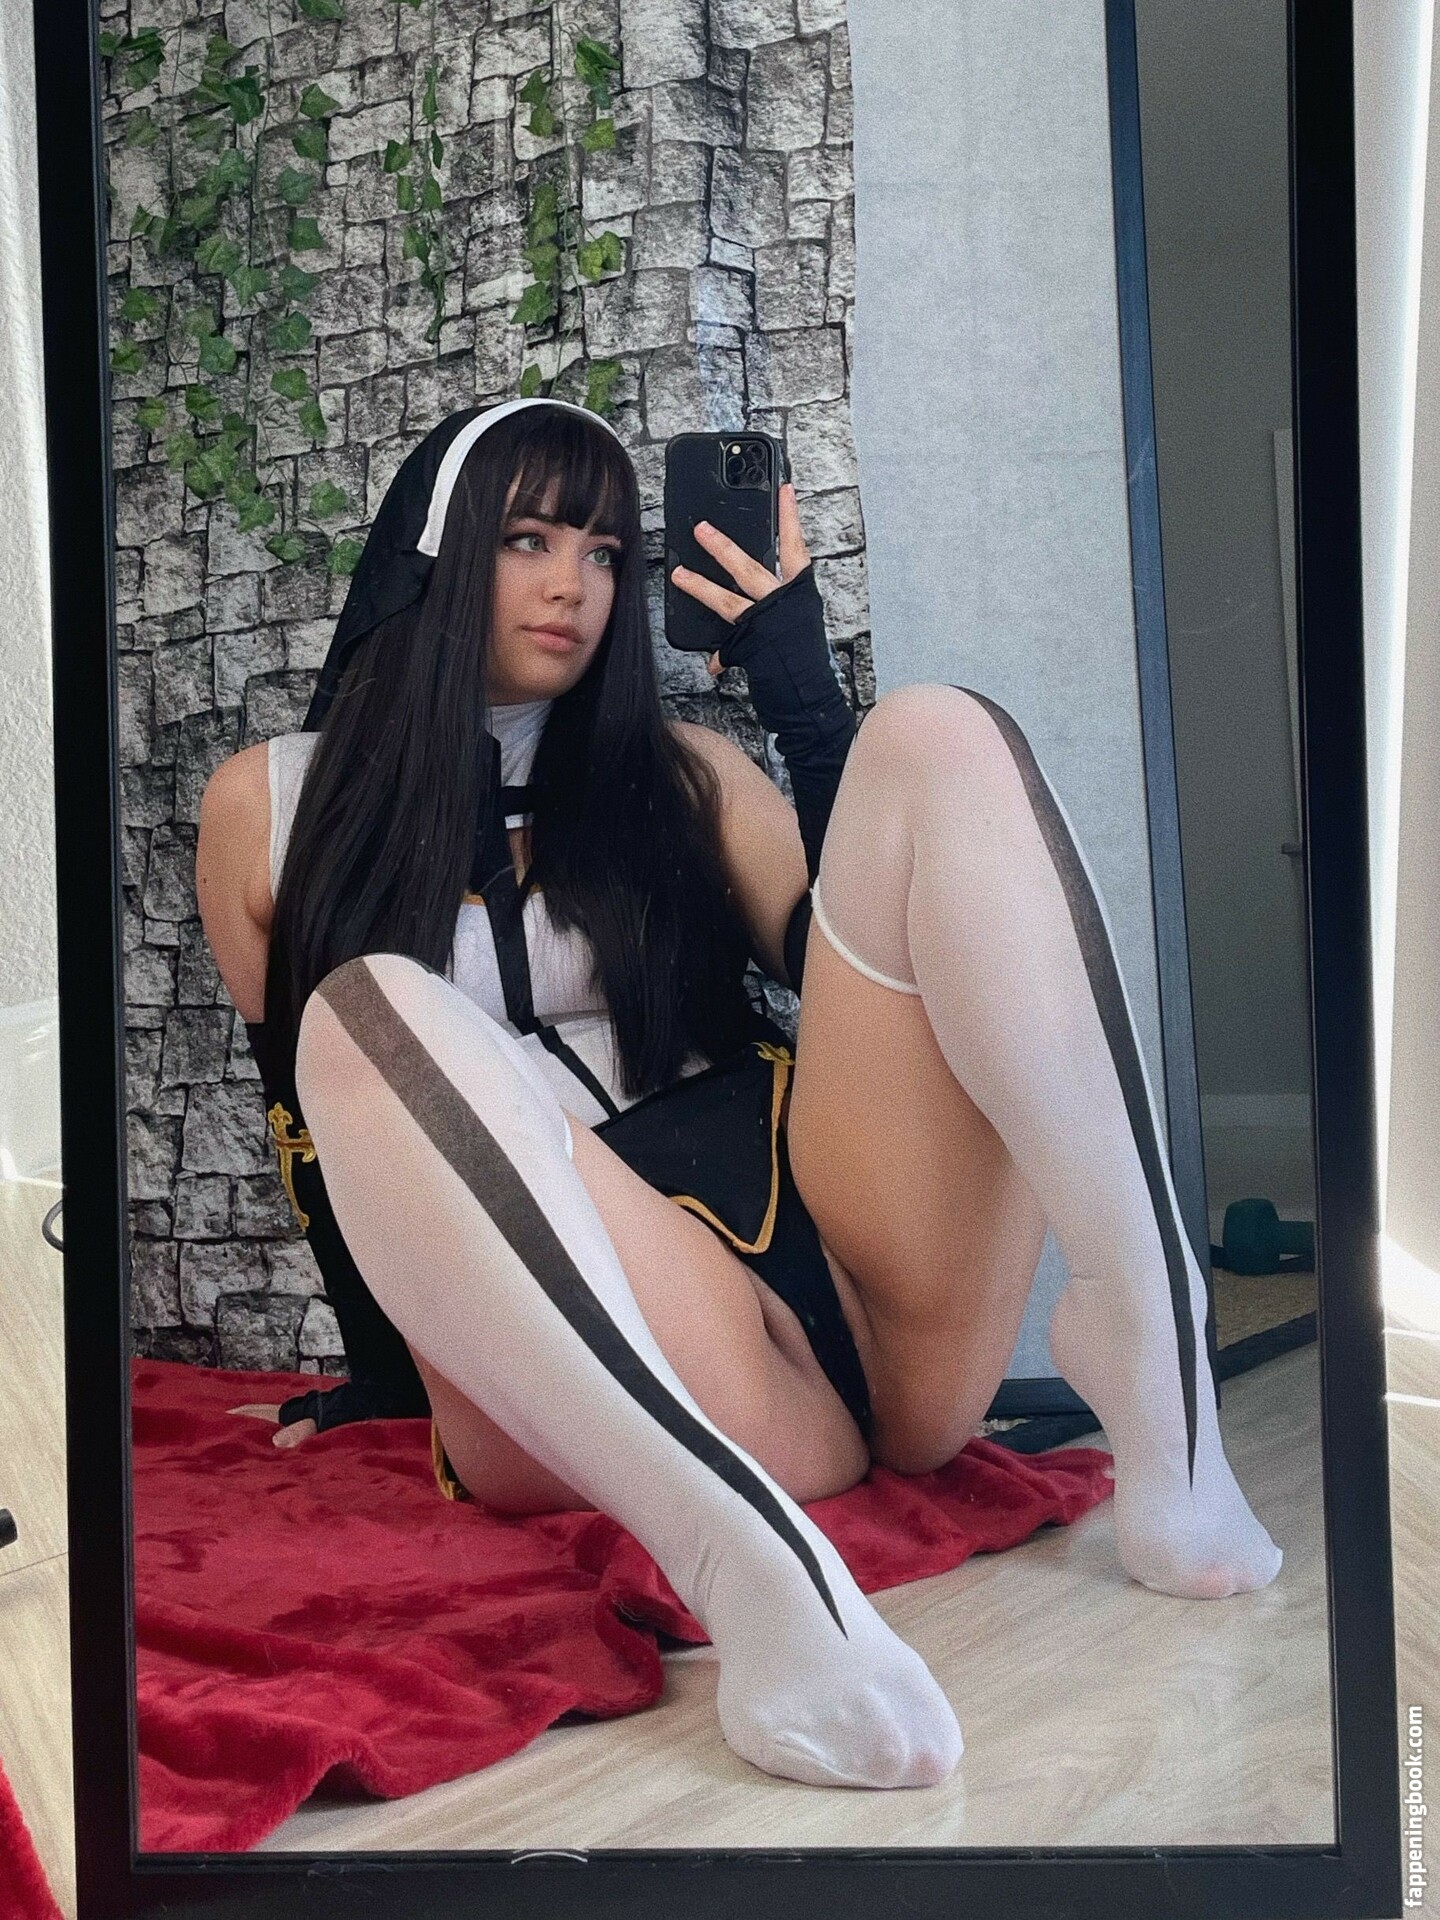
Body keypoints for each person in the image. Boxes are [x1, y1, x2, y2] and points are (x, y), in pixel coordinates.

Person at [196, 397, 1281, 1792]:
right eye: (527, 540)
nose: (571, 586)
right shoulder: (273, 808)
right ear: (436, 553)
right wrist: (392, 1373)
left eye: (603, 552)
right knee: (364, 1012)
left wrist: (801, 696)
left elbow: (879, 967)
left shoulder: (682, 775)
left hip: (870, 1291)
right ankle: (751, 1569)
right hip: (641, 1346)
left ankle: (1146, 1323)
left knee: (939, 735)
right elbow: (314, 1128)